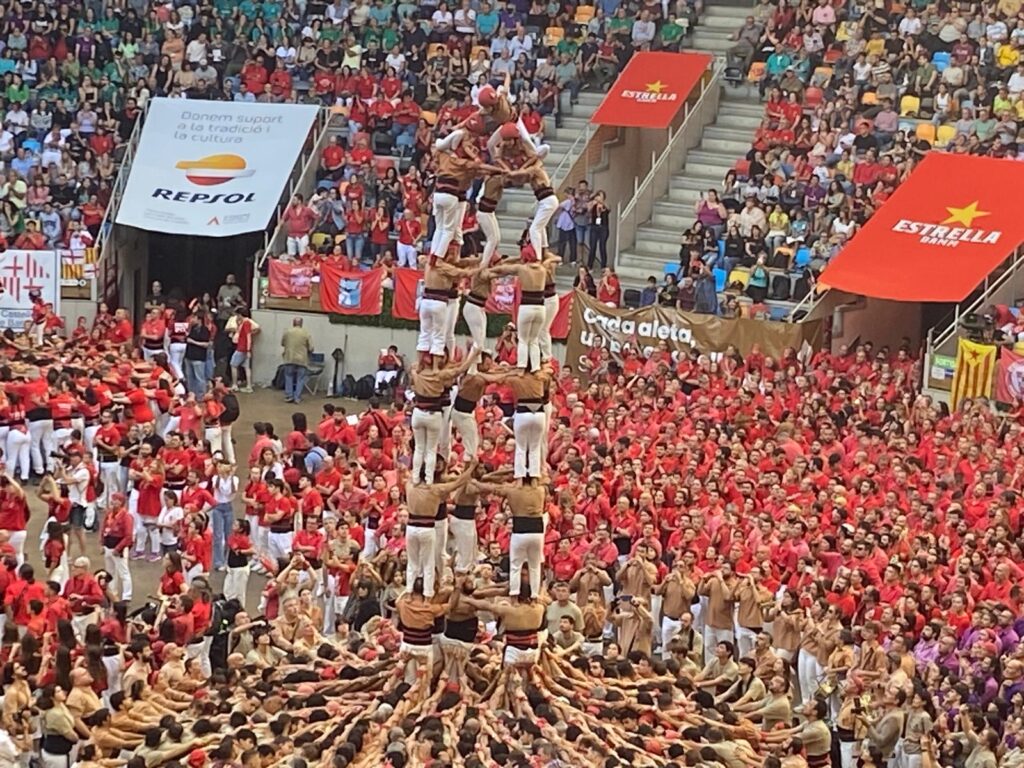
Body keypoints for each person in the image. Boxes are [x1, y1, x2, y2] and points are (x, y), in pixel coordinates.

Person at [280, 317, 313, 404]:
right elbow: (311, 348)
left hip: (289, 358)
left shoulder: (287, 332)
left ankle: (289, 396)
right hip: (302, 359)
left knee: (288, 376)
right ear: (301, 324)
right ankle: (297, 398)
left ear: (293, 323)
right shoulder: (306, 333)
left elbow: (282, 343)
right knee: (300, 378)